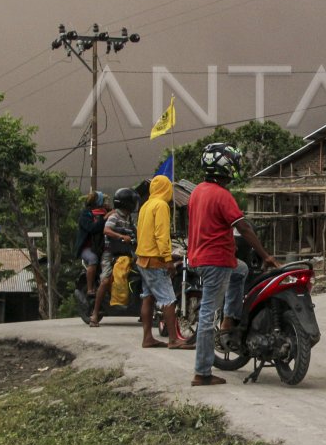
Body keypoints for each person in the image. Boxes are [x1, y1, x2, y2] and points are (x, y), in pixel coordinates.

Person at [188, 142, 280, 387]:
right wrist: (265, 255)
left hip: (201, 258)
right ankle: (202, 372)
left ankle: (229, 318)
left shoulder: (198, 190)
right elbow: (244, 227)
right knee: (207, 315)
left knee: (241, 270)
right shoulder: (222, 195)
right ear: (226, 166)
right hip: (215, 261)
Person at [135, 174, 192, 350]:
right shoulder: (161, 205)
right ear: (166, 189)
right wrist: (167, 259)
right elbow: (161, 234)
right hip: (155, 260)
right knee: (168, 299)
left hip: (142, 258)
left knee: (148, 298)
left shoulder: (146, 205)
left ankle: (147, 338)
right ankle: (174, 339)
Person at [90, 187, 138, 327]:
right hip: (110, 254)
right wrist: (121, 236)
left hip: (126, 254)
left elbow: (137, 232)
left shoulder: (129, 219)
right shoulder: (114, 216)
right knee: (105, 280)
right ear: (126, 203)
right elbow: (106, 230)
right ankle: (94, 313)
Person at [74, 192, 107, 297]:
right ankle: (90, 288)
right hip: (87, 248)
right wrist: (104, 218)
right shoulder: (86, 214)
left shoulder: (104, 212)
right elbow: (92, 228)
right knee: (93, 259)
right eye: (103, 201)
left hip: (100, 246)